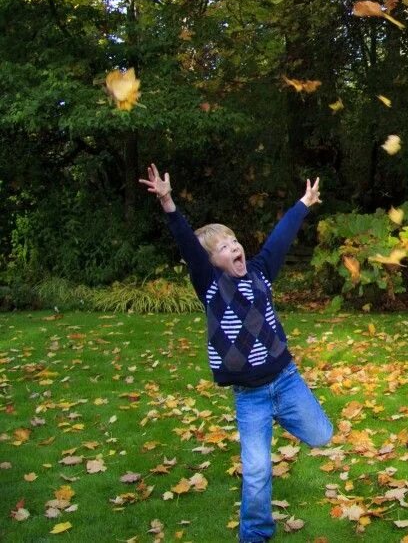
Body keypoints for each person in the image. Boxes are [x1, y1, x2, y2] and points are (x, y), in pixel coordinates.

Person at [139, 164, 333, 543]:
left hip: (286, 379)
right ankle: (255, 535)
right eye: (224, 248)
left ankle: (283, 414)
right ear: (212, 263)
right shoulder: (211, 287)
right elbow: (187, 244)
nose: (234, 248)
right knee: (258, 471)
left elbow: (279, 239)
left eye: (234, 242)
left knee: (323, 436)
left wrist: (304, 204)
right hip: (251, 397)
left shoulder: (260, 272)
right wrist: (167, 201)